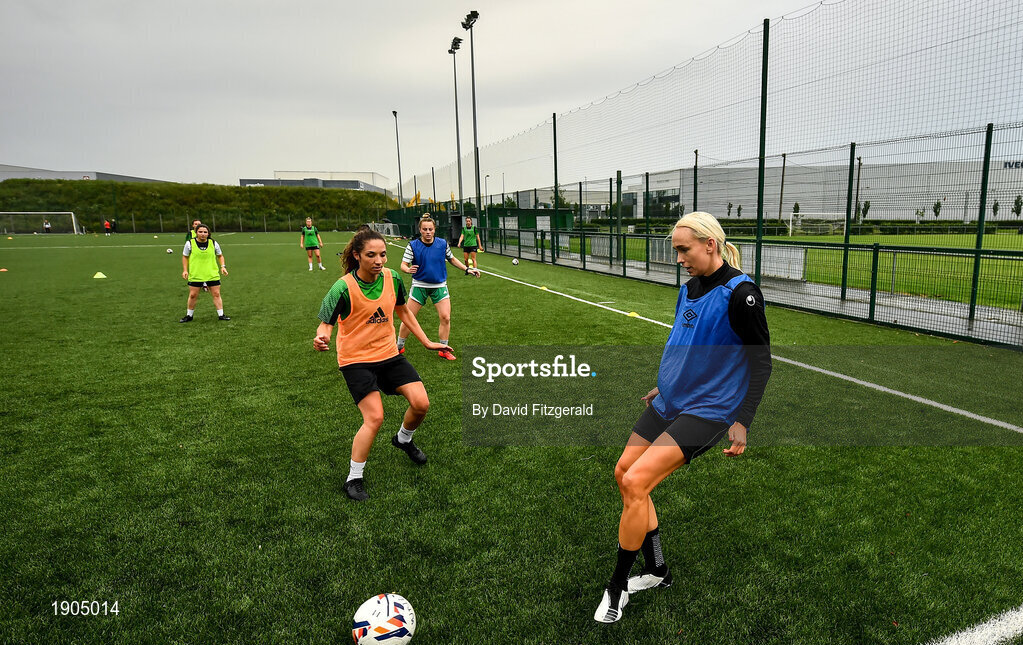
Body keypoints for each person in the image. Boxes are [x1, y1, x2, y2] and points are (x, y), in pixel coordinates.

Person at [593, 211, 772, 623]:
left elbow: (760, 364)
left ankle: (616, 588)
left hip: (709, 411)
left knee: (637, 482)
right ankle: (657, 570)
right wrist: (666, 384)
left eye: (683, 249)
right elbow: (685, 343)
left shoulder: (742, 294)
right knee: (623, 473)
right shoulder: (688, 288)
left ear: (710, 244)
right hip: (672, 400)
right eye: (677, 250)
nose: (678, 258)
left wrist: (743, 420)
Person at [313, 228, 448, 501]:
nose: (379, 260)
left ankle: (403, 440)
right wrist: (322, 336)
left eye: (383, 254)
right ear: (357, 255)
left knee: (421, 403)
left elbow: (404, 312)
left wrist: (427, 342)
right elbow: (326, 324)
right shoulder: (342, 287)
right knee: (374, 418)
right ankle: (354, 478)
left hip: (388, 355)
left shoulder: (392, 278)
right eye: (371, 255)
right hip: (356, 361)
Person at [396, 216, 480, 361]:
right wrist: (407, 269)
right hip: (419, 286)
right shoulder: (413, 245)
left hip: (439, 286)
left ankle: (443, 349)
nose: (428, 232)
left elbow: (452, 259)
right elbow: (403, 264)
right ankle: (398, 347)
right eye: (425, 229)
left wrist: (467, 269)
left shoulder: (442, 244)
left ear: (434, 230)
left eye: (430, 229)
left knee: (445, 317)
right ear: (420, 230)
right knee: (408, 318)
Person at [179, 224, 230, 322]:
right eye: (200, 232)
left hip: (212, 273)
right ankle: (189, 316)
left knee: (216, 294)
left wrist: (223, 267)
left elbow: (220, 256)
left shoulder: (213, 243)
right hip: (196, 274)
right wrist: (185, 270)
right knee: (193, 295)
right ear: (196, 232)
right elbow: (185, 257)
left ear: (208, 233)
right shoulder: (190, 243)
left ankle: (221, 315)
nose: (202, 234)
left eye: (205, 232)